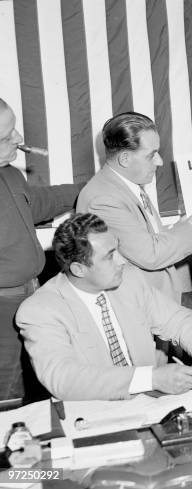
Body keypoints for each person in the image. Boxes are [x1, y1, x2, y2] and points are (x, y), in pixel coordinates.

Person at [16, 213, 192, 401]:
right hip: (94, 416)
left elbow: (178, 320)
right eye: (109, 256)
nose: (121, 261)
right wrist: (150, 379)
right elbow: (64, 379)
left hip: (153, 403)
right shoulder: (40, 310)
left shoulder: (129, 279)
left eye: (116, 249)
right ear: (79, 269)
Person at [77, 112, 192, 303]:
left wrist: (179, 227)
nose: (159, 161)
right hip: (136, 308)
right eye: (151, 155)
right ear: (125, 159)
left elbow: (141, 238)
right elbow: (150, 255)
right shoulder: (104, 199)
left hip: (153, 300)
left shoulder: (125, 184)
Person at [0, 98, 83, 401]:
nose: (19, 139)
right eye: (7, 136)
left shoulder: (9, 173)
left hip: (32, 295)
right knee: (6, 389)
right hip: (3, 305)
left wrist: (87, 189)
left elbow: (35, 204)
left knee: (42, 381)